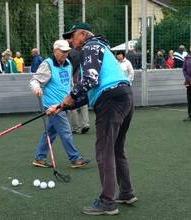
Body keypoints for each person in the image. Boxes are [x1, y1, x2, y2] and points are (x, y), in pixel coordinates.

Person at [48, 22, 137, 216]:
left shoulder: (90, 47)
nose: (70, 41)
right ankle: (126, 193)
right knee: (117, 149)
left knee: (104, 152)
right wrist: (63, 106)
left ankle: (107, 202)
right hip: (125, 96)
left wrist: (70, 96)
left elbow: (90, 79)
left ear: (82, 34)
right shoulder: (101, 47)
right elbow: (89, 92)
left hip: (111, 100)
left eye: (71, 36)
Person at [29, 39, 90, 169]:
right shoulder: (48, 64)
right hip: (52, 105)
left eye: (67, 52)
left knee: (50, 132)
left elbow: (68, 82)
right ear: (55, 51)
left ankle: (39, 158)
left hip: (65, 104)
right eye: (62, 52)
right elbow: (35, 80)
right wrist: (36, 88)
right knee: (66, 131)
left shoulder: (68, 63)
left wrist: (73, 95)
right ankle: (75, 158)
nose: (65, 54)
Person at [68, 48, 90, 134]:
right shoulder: (84, 51)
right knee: (83, 103)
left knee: (72, 104)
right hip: (83, 79)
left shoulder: (68, 54)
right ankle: (86, 123)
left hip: (72, 80)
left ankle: (76, 128)